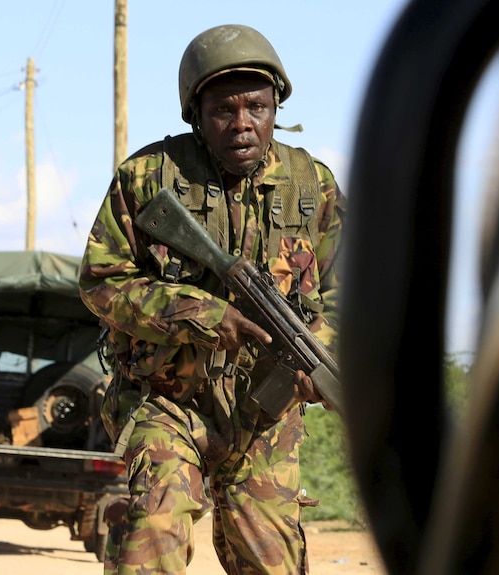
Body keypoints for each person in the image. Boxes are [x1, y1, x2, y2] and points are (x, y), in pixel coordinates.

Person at [79, 24, 344, 575]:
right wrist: (200, 314)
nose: (243, 124)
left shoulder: (312, 185)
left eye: (257, 107)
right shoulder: (150, 178)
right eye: (224, 109)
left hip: (265, 417)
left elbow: (346, 298)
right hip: (165, 401)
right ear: (195, 113)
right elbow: (101, 282)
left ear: (277, 107)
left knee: (272, 561)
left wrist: (316, 352)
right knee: (153, 532)